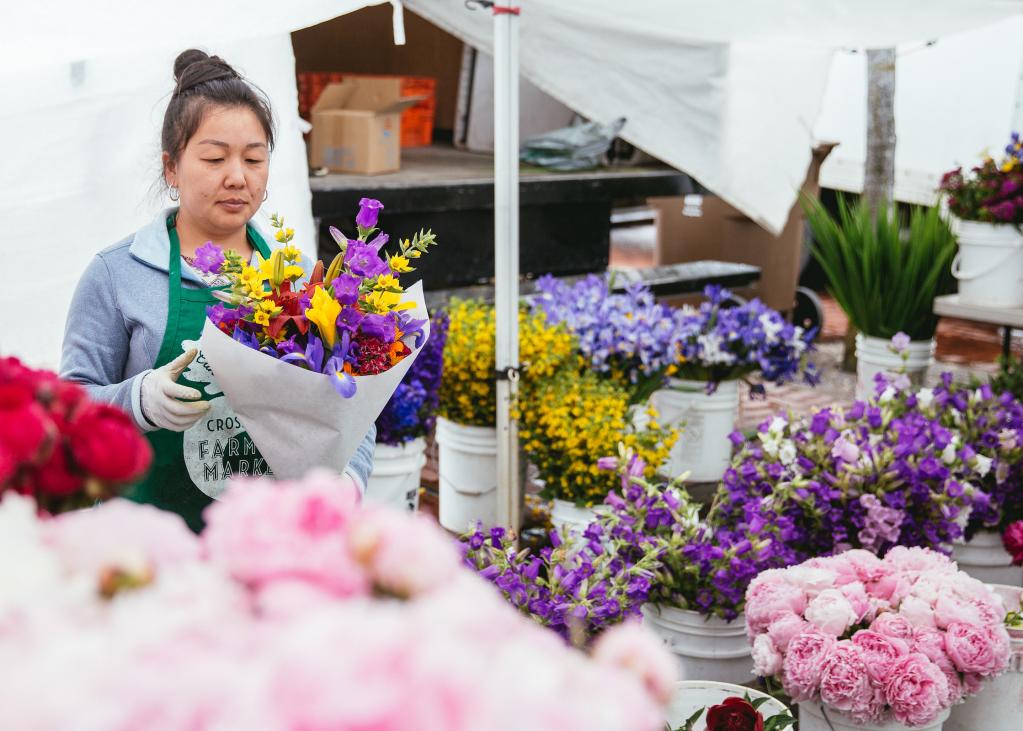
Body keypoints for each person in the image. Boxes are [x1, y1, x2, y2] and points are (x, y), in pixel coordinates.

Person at [60, 49, 375, 531]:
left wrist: (347, 483)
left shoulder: (303, 280)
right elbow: (68, 412)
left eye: (254, 159)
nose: (237, 177)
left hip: (267, 544)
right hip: (145, 548)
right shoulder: (116, 274)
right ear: (171, 167)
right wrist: (141, 400)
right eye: (213, 157)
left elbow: (353, 408)